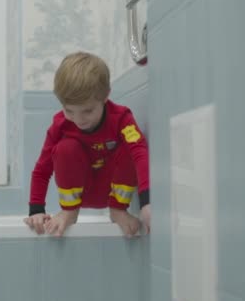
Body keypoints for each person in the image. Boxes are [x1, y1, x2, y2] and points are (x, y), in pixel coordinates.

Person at [23, 51, 151, 237]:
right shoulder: (60, 124)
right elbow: (42, 169)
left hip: (112, 191)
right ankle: (69, 212)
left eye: (87, 111)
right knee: (65, 148)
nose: (78, 119)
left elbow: (140, 154)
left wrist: (146, 202)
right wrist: (36, 210)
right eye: (69, 111)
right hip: (80, 191)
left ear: (106, 96)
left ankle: (117, 211)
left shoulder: (121, 118)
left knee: (133, 147)